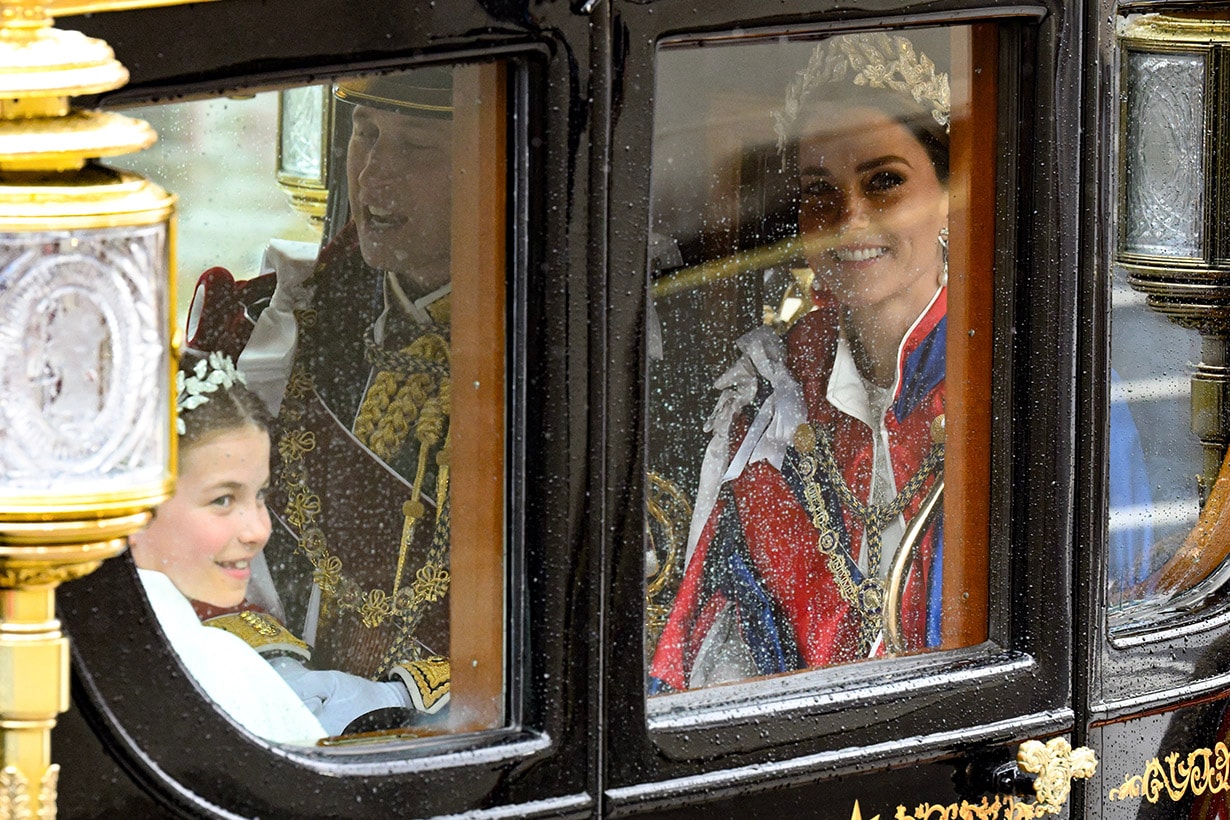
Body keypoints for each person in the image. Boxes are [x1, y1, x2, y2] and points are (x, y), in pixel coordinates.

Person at [649, 32, 951, 692]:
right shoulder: (777, 385)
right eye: (820, 190)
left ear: (948, 197)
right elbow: (715, 619)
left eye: (885, 182)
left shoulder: (1009, 377)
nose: (848, 218)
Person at [184, 68, 455, 710]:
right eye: (365, 134)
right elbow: (188, 529)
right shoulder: (292, 317)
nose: (372, 176)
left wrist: (417, 700)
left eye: (416, 147)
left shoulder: (562, 350)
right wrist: (269, 664)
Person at [130, 353, 444, 741]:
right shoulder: (209, 667)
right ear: (134, 500)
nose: (260, 530)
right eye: (223, 500)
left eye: (261, 495)